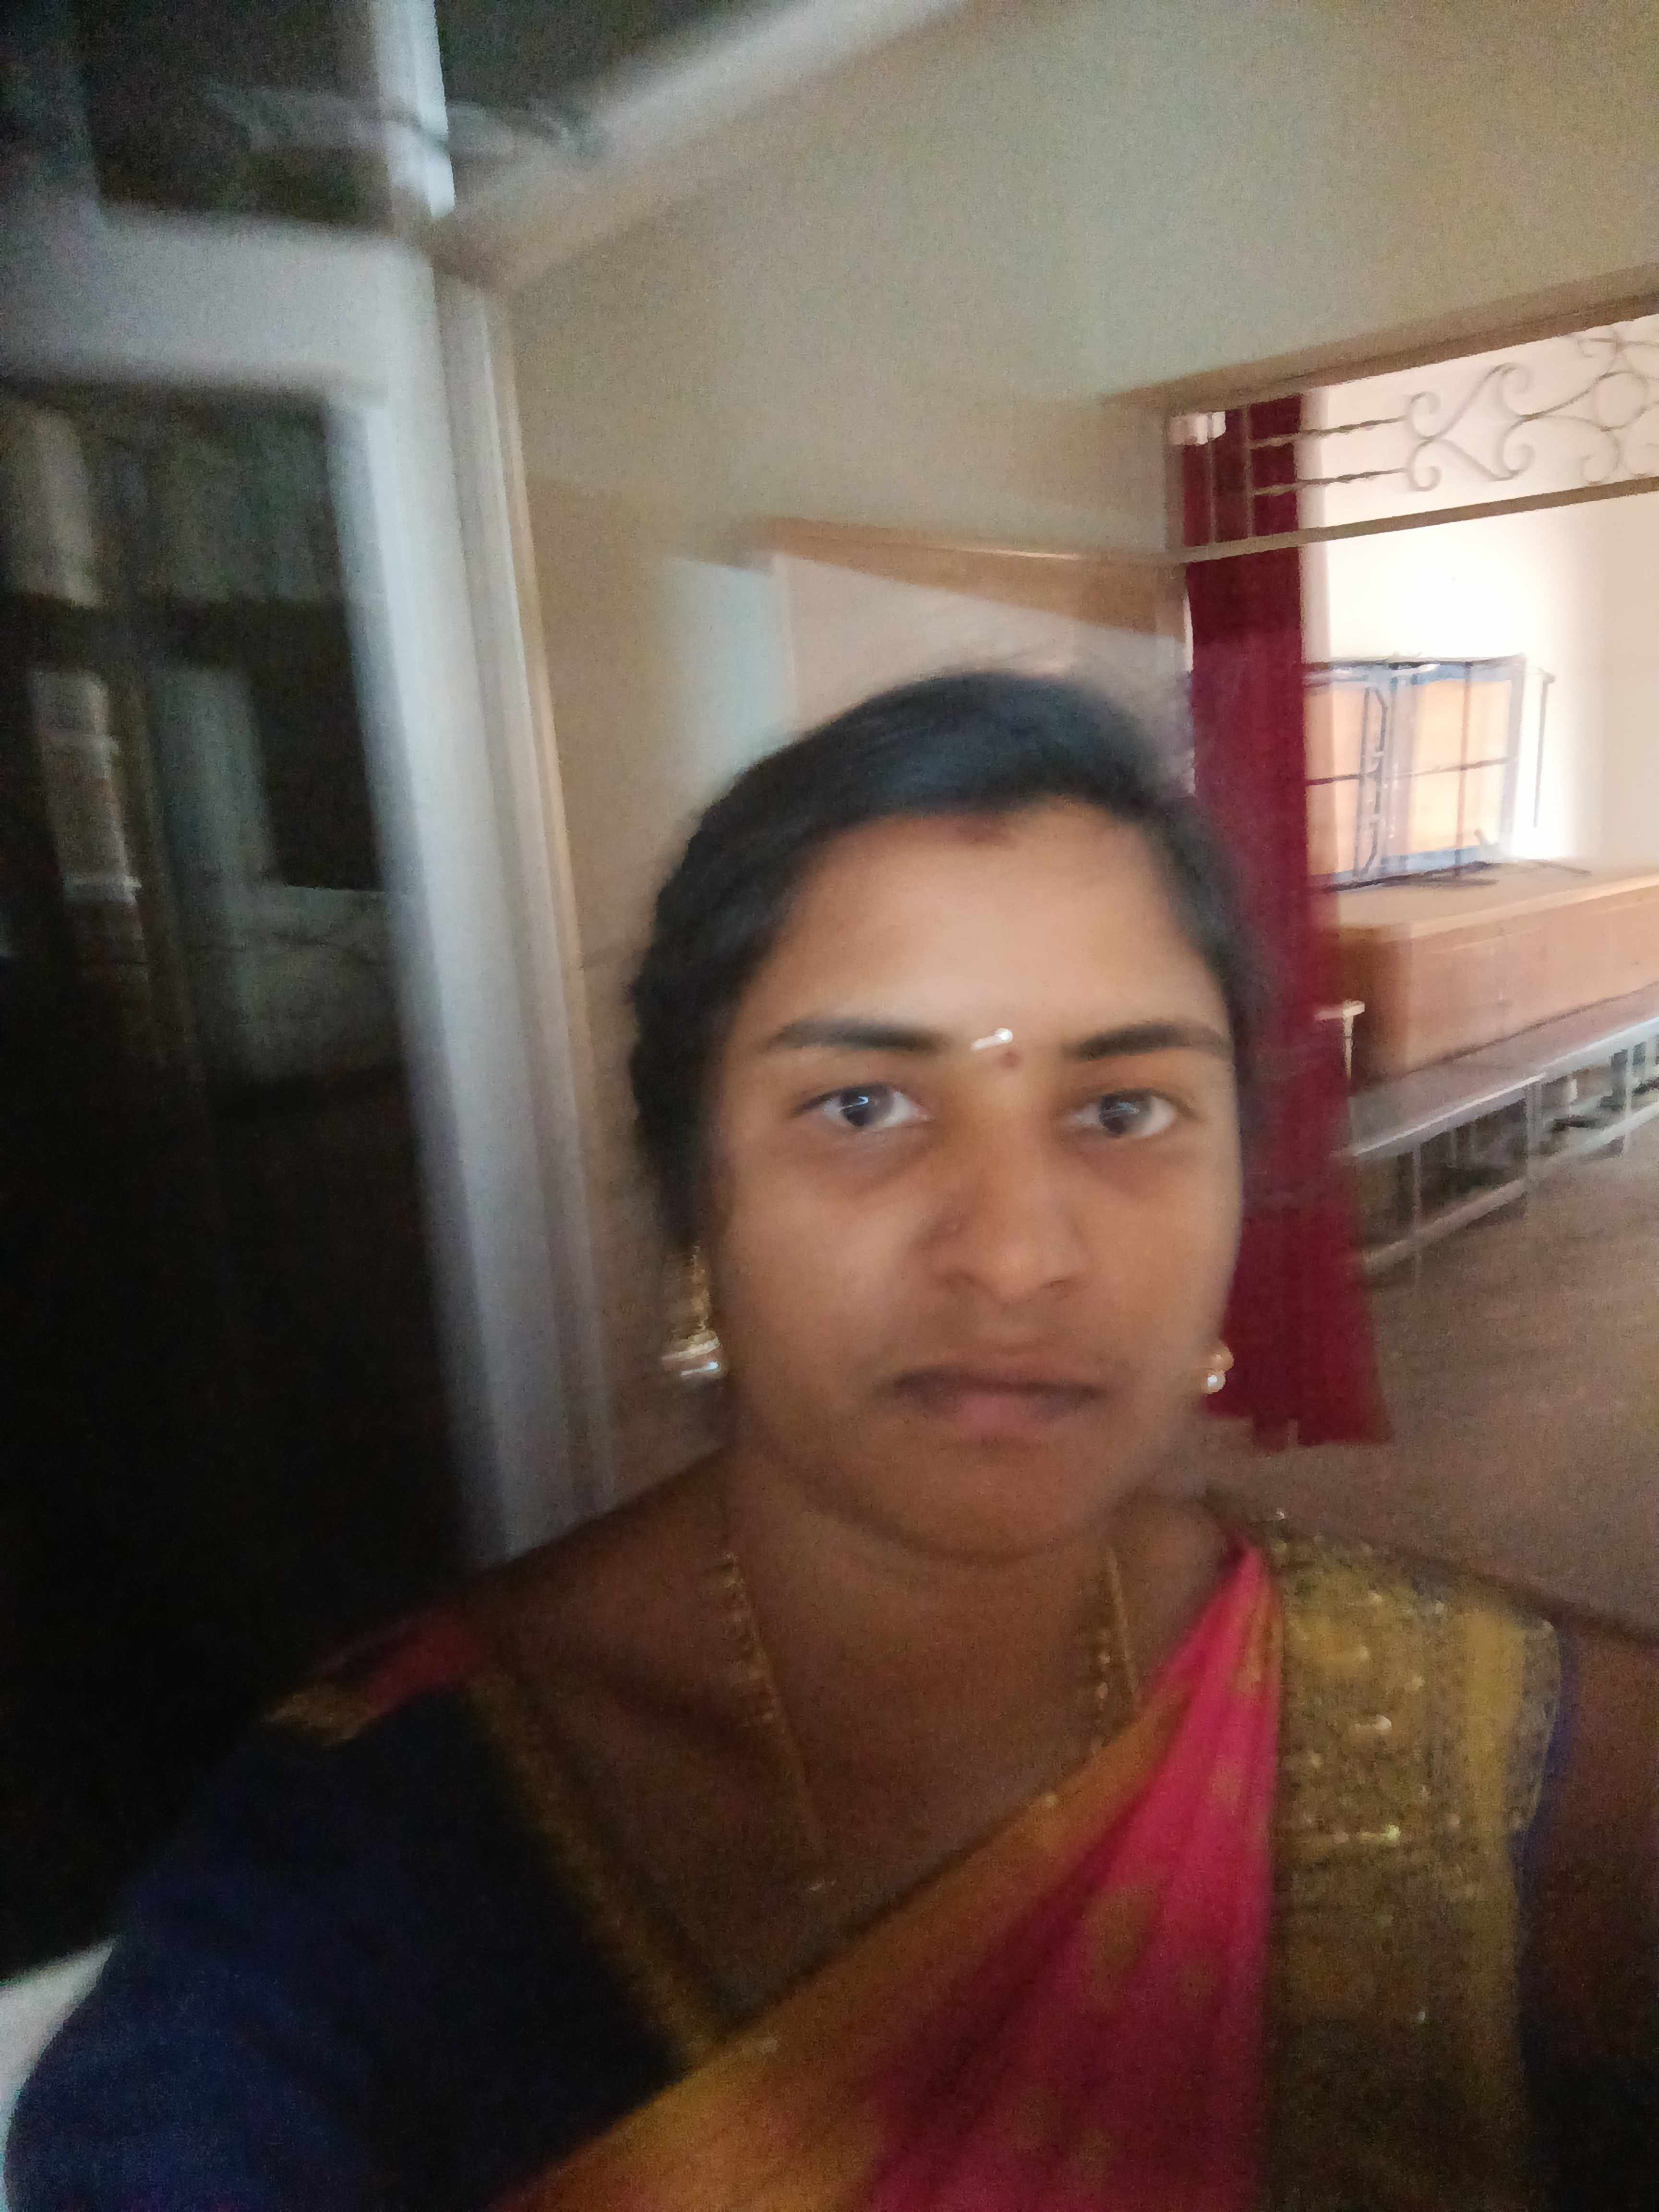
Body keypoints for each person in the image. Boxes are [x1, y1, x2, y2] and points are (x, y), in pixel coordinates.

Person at [9, 673, 1655, 2212]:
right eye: (863, 1106)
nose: (1015, 1256)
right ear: (696, 1199)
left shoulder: (1520, 1775)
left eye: (1123, 1109)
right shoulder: (366, 1875)